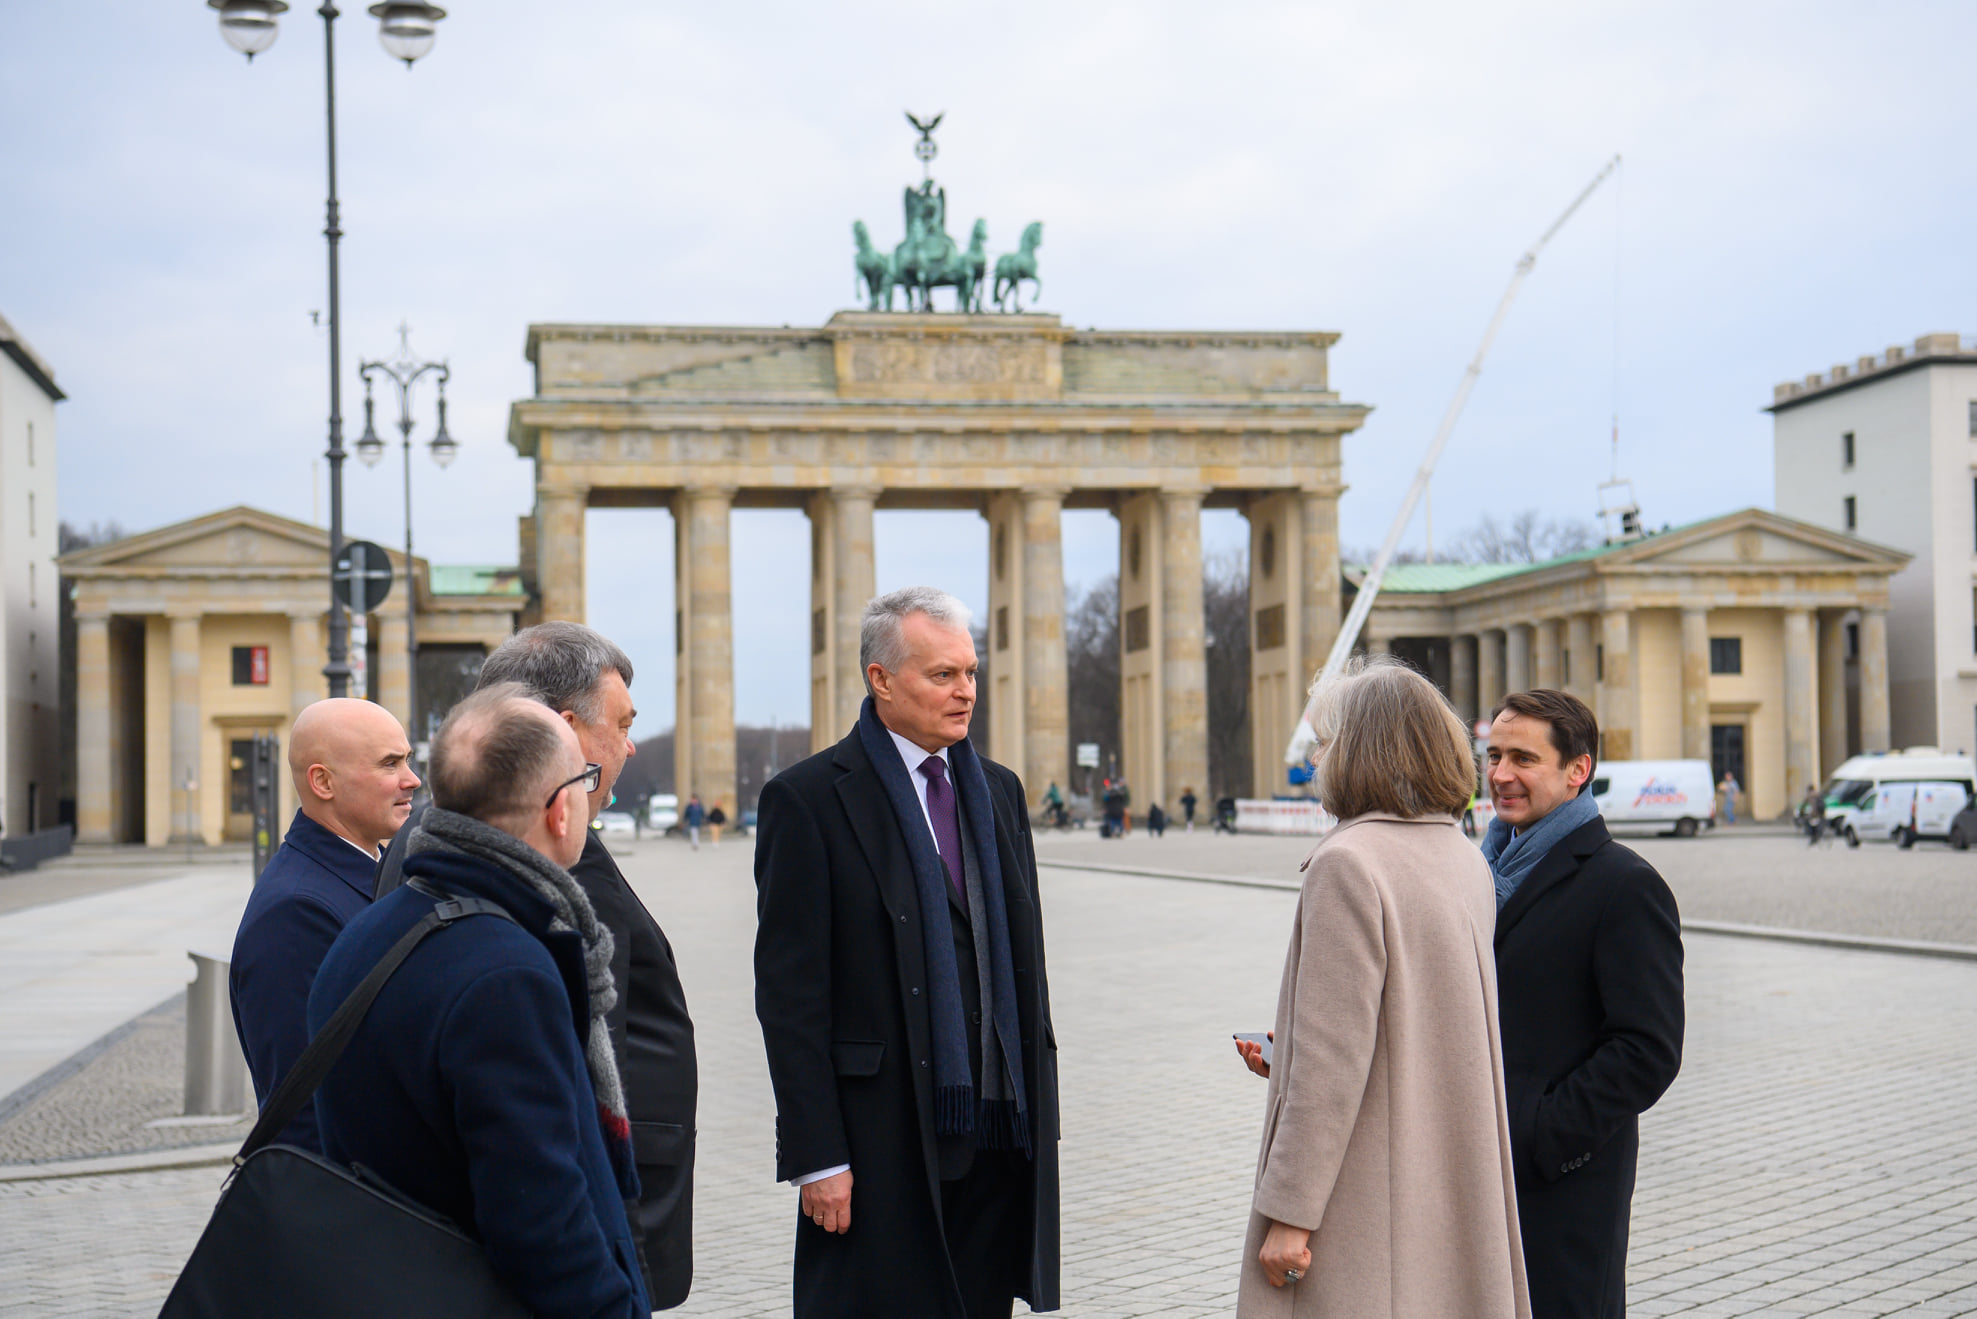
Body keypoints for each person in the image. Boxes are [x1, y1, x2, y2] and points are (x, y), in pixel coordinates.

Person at [754, 586, 1060, 1319]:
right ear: (880, 679)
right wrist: (817, 1155)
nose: (965, 693)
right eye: (942, 675)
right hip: (878, 1138)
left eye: (970, 673)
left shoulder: (998, 792)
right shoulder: (808, 800)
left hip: (996, 1129)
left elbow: (1024, 963)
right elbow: (790, 997)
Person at [375, 621, 700, 1310]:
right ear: (562, 728)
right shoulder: (529, 884)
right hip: (591, 1221)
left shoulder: (449, 848)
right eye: (620, 722)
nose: (629, 744)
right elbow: (533, 1190)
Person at [309, 686, 648, 1317]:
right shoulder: (505, 973)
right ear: (558, 810)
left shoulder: (372, 928)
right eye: (584, 779)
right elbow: (542, 1224)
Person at [1232, 661, 1530, 1317]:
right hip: (1445, 1182)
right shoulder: (1458, 857)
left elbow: (1331, 1065)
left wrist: (1289, 1211)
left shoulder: (1348, 863)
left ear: (1361, 749)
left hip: (1366, 1197)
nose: (1317, 757)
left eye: (1327, 740)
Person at [1484, 690, 1684, 1319]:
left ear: (1578, 770)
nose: (1499, 776)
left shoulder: (1623, 883)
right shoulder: (1473, 873)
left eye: (1523, 758)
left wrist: (1541, 1130)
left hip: (1560, 1186)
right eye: (1492, 756)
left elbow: (1647, 1049)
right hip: (1470, 1169)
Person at [229, 697, 418, 1152]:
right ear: (323, 782)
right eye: (389, 764)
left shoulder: (380, 871)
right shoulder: (294, 913)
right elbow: (306, 1116)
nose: (412, 780)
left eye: (407, 760)